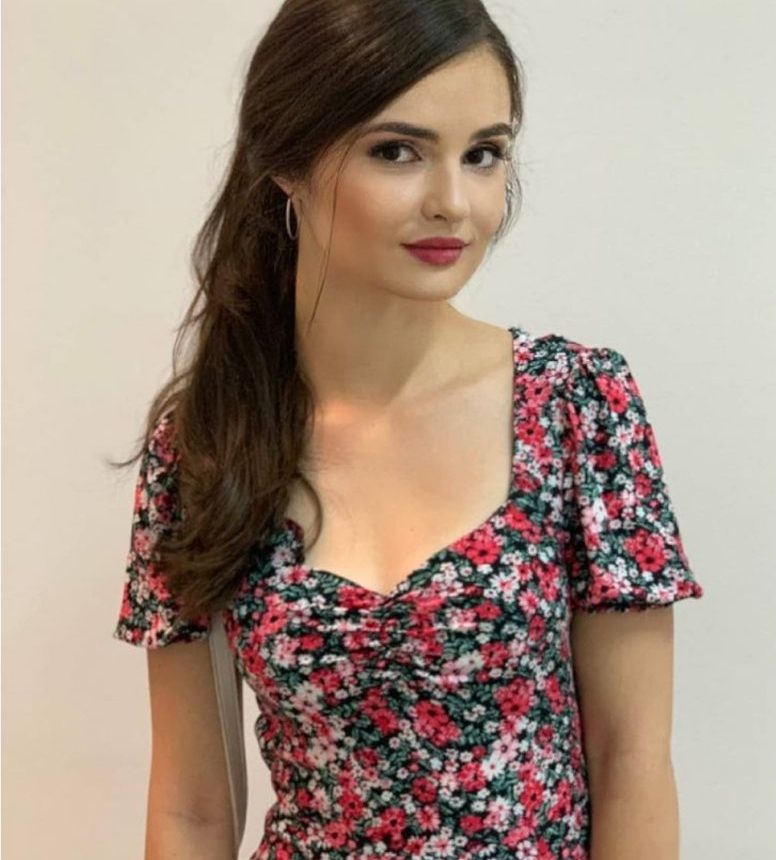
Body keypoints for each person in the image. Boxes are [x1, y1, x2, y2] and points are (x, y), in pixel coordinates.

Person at [111, 1, 705, 858]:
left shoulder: (576, 405)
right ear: (285, 162)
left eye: (483, 154)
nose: (452, 203)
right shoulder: (207, 443)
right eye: (397, 151)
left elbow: (634, 762)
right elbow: (192, 811)